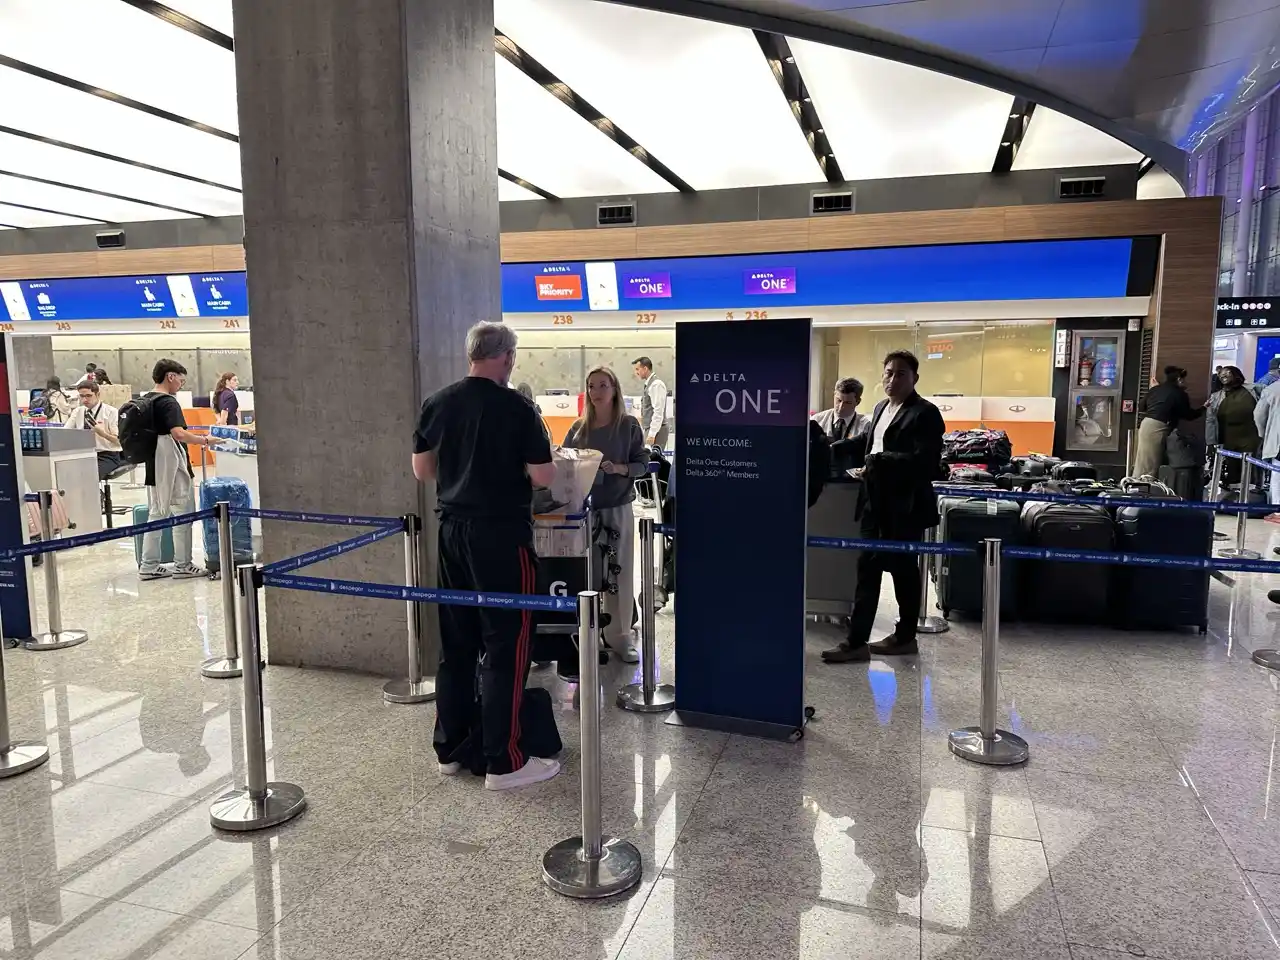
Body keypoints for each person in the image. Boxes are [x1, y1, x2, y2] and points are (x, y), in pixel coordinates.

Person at [413, 321, 559, 791]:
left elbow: (422, 470)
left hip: (451, 531)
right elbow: (543, 477)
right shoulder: (518, 407)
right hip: (500, 536)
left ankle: (450, 748)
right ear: (508, 357)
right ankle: (505, 760)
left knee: (455, 644)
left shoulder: (438, 401)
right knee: (506, 644)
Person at [823, 350, 945, 664]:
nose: (892, 379)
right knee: (867, 571)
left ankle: (905, 637)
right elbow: (869, 443)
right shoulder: (880, 408)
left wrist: (877, 463)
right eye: (888, 372)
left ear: (915, 378)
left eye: (901, 373)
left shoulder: (925, 413)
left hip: (904, 506)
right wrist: (829, 448)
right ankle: (856, 642)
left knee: (903, 573)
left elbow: (928, 464)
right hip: (873, 503)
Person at [563, 366, 647, 664]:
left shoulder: (628, 426)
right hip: (584, 513)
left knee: (619, 571)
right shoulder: (578, 428)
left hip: (618, 507)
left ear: (615, 389)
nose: (596, 391)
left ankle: (620, 636)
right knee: (588, 575)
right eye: (591, 386)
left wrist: (620, 468)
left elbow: (643, 462)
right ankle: (588, 634)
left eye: (603, 385)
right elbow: (564, 462)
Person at [138, 359, 212, 581]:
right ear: (170, 376)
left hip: (154, 466)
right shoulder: (168, 402)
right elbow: (178, 434)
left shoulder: (145, 400)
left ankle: (148, 565)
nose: (181, 384)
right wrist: (205, 440)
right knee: (183, 515)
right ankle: (183, 565)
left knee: (156, 515)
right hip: (173, 466)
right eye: (181, 379)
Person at [1132, 365, 1203, 478]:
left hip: (1147, 424)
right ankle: (1141, 489)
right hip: (1159, 427)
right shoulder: (1179, 393)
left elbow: (1141, 407)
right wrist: (1204, 408)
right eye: (1184, 379)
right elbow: (1188, 415)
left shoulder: (1155, 389)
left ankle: (1138, 487)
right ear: (1179, 379)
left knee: (1145, 460)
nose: (1186, 382)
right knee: (1150, 464)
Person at [66, 381, 125, 480]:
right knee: (67, 474)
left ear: (97, 395)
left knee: (89, 476)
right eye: (82, 396)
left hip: (106, 455)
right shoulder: (78, 411)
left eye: (89, 396)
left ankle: (95, 495)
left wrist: (103, 434)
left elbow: (119, 441)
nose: (85, 400)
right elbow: (65, 432)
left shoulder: (111, 412)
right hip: (84, 454)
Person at [1217, 365, 1260, 486]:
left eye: (1227, 373)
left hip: (1248, 436)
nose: (1223, 376)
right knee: (1233, 470)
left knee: (1248, 471)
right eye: (1221, 374)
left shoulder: (1252, 390)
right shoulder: (1218, 395)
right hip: (1229, 438)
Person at [812, 377, 871, 443]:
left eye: (847, 403)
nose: (841, 407)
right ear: (834, 395)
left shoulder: (865, 426)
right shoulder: (817, 420)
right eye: (839, 400)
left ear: (858, 402)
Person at [632, 356, 669, 450]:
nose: (636, 372)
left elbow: (658, 411)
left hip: (657, 430)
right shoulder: (649, 385)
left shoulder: (656, 385)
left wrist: (652, 434)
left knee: (654, 461)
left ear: (645, 368)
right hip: (651, 428)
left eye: (637, 369)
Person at [1255, 374, 1280, 506]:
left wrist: (1264, 435)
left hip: (1278, 439)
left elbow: (1259, 415)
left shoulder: (1272, 390)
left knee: (1277, 474)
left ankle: (1277, 507)